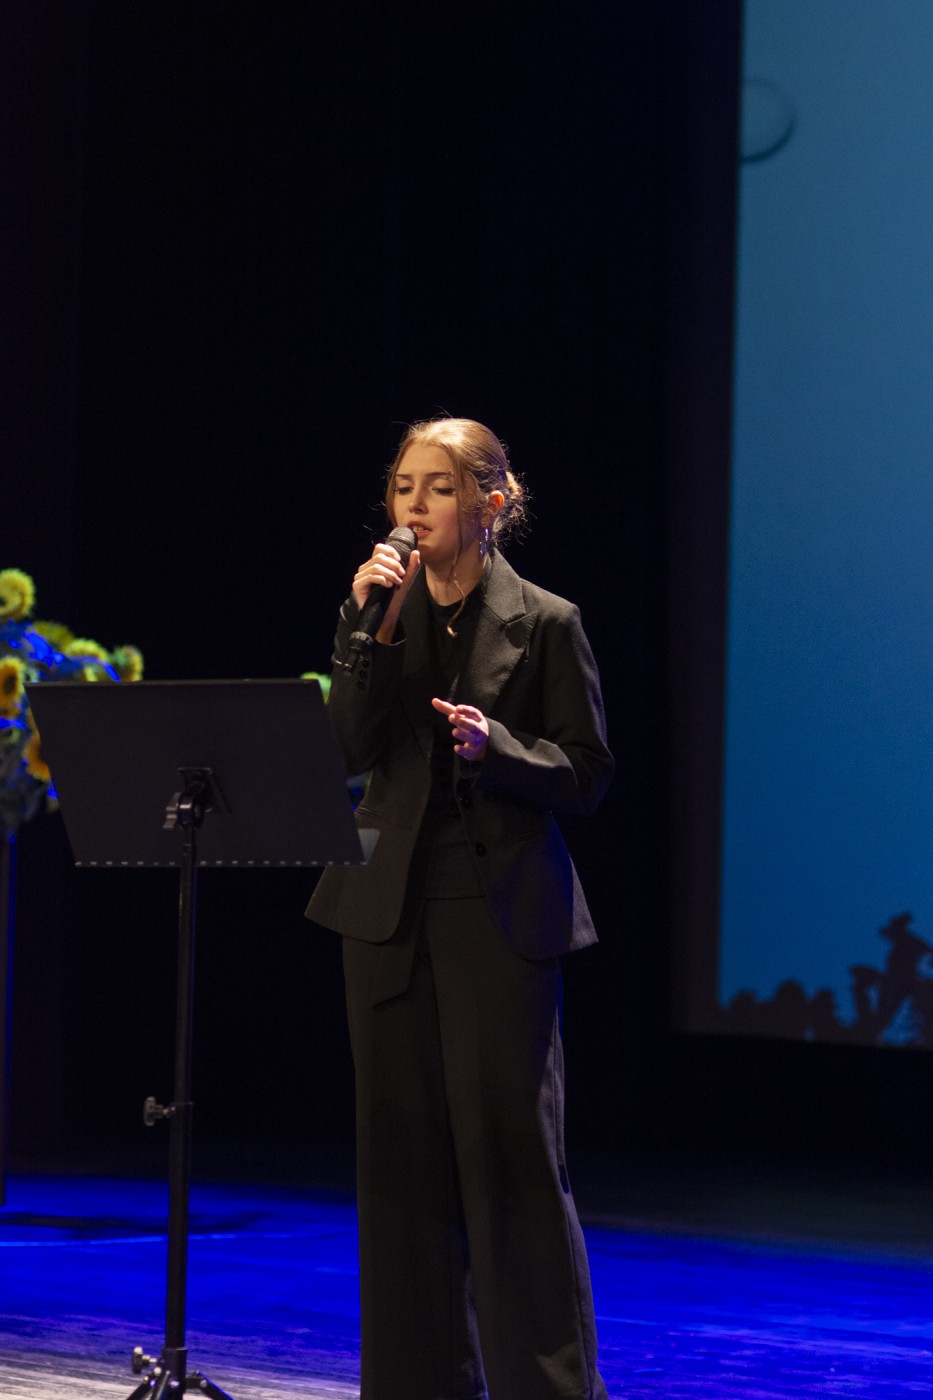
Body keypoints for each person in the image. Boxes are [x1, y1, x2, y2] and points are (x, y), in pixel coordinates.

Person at [306, 417, 614, 1400]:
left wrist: (501, 748)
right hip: (385, 909)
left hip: (499, 910)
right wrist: (368, 627)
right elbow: (346, 750)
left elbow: (588, 772)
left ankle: (547, 1387)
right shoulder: (375, 613)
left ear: (492, 503)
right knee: (398, 1162)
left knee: (509, 1155)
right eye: (403, 487)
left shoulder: (547, 621)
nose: (414, 506)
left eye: (438, 487)